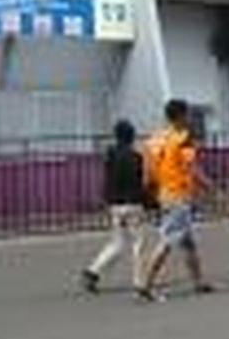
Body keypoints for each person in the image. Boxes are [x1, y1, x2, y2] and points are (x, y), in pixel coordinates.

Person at [137, 99, 215, 302]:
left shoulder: (156, 138)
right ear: (181, 116)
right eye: (187, 114)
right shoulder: (183, 138)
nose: (189, 118)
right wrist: (210, 186)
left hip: (165, 193)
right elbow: (192, 167)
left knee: (187, 241)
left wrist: (153, 189)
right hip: (179, 194)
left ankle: (198, 282)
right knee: (167, 240)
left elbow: (147, 171)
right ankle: (146, 284)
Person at [80, 119, 149, 294]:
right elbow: (139, 182)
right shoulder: (136, 157)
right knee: (139, 243)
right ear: (131, 137)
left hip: (115, 204)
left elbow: (109, 180)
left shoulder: (110, 155)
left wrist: (106, 199)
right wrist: (148, 201)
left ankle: (93, 271)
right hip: (133, 204)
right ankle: (140, 282)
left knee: (117, 243)